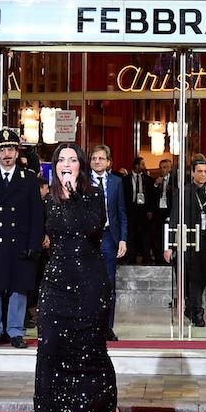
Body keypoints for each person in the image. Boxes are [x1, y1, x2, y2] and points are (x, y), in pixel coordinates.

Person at [29, 144, 121, 412]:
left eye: (72, 160)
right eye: (61, 160)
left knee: (91, 351)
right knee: (49, 349)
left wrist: (75, 196)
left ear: (81, 166)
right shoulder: (48, 199)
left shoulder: (93, 196)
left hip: (89, 283)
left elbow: (92, 229)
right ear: (55, 166)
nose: (66, 164)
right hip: (56, 283)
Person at [0, 129, 43, 349]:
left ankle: (15, 331)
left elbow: (37, 216)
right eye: (2, 150)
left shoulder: (28, 179)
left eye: (11, 149)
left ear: (17, 152)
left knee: (18, 287)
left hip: (19, 241)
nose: (7, 154)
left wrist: (34, 244)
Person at [163, 158, 206, 327]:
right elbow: (174, 218)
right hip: (187, 241)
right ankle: (197, 311)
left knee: (202, 277)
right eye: (200, 171)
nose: (203, 175)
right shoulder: (183, 192)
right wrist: (170, 246)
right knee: (190, 277)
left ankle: (192, 308)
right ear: (193, 173)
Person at [89, 145, 127, 340]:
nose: (97, 161)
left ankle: (107, 327)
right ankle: (89, 326)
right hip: (88, 238)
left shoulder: (116, 182)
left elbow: (121, 213)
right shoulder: (82, 181)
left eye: (101, 158)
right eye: (94, 158)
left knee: (108, 285)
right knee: (88, 283)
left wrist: (123, 239)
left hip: (108, 237)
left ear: (108, 162)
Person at [123, 157, 154, 264]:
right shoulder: (125, 179)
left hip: (144, 210)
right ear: (136, 165)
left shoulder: (148, 179)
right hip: (131, 210)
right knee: (131, 234)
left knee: (145, 234)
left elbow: (151, 196)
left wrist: (150, 210)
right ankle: (131, 256)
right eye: (142, 164)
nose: (144, 166)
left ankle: (146, 257)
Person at [152, 158, 174, 262]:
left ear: (170, 168)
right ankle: (159, 258)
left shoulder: (174, 181)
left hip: (169, 211)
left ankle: (169, 257)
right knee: (158, 234)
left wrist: (172, 189)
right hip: (159, 211)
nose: (162, 170)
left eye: (165, 167)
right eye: (160, 167)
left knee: (169, 235)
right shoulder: (156, 180)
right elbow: (151, 196)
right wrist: (156, 185)